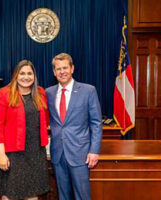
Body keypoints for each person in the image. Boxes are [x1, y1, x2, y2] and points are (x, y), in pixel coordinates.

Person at [0, 60, 50, 200]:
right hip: (12, 153)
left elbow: (45, 120)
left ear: (34, 76)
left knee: (33, 193)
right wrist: (1, 155)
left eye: (29, 73)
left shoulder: (40, 93)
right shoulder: (3, 94)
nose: (26, 77)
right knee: (11, 194)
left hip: (35, 153)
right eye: (22, 73)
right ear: (16, 75)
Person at [46, 53, 103, 200]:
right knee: (63, 196)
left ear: (72, 69)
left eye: (65, 67)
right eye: (58, 69)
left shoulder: (88, 90)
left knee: (82, 196)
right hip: (58, 154)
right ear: (54, 72)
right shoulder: (49, 93)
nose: (62, 71)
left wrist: (94, 151)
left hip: (81, 154)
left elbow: (96, 123)